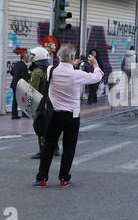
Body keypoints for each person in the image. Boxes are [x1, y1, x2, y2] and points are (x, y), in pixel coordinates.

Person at [33, 44, 104, 188]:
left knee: (49, 146)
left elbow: (62, 66)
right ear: (72, 58)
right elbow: (97, 77)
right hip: (72, 116)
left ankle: (42, 178)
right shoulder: (77, 74)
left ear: (59, 57)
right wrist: (95, 64)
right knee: (69, 147)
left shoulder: (50, 70)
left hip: (54, 115)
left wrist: (71, 63)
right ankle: (64, 178)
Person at [29, 47, 61, 160]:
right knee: (51, 126)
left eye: (32, 56)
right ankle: (55, 148)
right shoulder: (50, 70)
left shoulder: (37, 72)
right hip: (52, 102)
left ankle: (43, 151)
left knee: (41, 125)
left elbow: (33, 90)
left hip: (42, 104)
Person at [10, 52, 30, 119]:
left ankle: (14, 114)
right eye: (28, 57)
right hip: (20, 85)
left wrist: (16, 77)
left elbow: (12, 72)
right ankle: (23, 114)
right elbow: (24, 77)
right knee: (23, 99)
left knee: (15, 100)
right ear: (25, 58)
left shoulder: (17, 63)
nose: (29, 59)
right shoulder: (23, 65)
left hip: (14, 84)